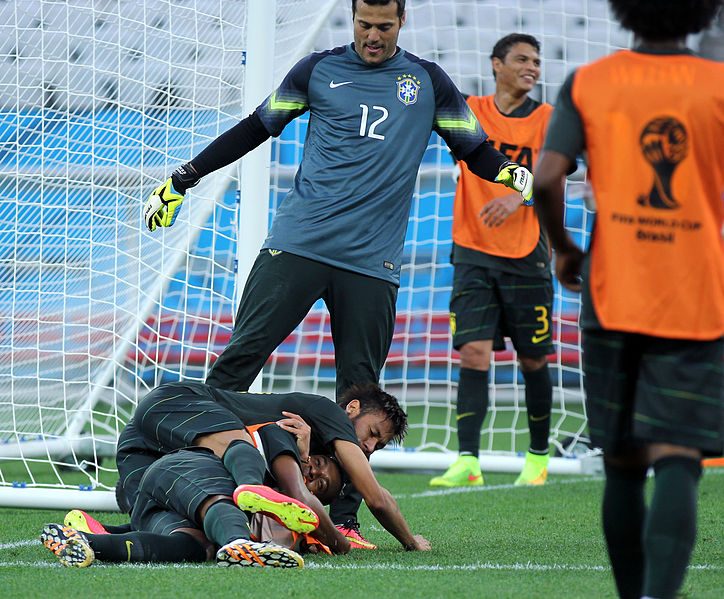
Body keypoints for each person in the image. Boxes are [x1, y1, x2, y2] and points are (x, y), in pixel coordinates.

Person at [143, 0, 534, 545]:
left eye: (385, 26)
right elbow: (255, 127)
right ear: (352, 20)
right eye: (364, 25)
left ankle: (344, 521)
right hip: (297, 247)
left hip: (371, 264)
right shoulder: (317, 71)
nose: (373, 36)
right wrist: (185, 177)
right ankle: (190, 481)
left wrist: (516, 174)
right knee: (237, 365)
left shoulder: (428, 82)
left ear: (402, 23)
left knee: (360, 394)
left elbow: (473, 148)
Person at [532, 1, 724, 597]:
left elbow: (544, 178)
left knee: (620, 462)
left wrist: (564, 248)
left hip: (611, 294)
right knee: (677, 456)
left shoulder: (591, 81)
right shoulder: (718, 85)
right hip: (694, 298)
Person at [430, 33, 558, 489]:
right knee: (473, 352)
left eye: (538, 62)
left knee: (533, 360)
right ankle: (468, 460)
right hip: (472, 252)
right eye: (523, 59)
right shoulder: (469, 111)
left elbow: (558, 171)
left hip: (528, 255)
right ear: (496, 64)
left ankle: (538, 457)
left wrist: (517, 197)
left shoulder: (548, 119)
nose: (533, 67)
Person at [115, 380, 430, 552]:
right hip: (175, 403)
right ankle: (249, 485)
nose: (370, 447)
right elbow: (375, 497)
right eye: (373, 433)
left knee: (194, 541)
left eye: (379, 446)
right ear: (352, 408)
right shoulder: (325, 412)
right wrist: (411, 541)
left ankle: (97, 536)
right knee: (241, 449)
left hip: (144, 455)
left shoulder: (306, 447)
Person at [41, 446, 344, 568]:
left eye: (320, 485)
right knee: (226, 501)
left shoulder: (299, 528)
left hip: (157, 509)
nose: (314, 475)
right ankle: (238, 543)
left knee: (195, 548)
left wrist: (311, 541)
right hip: (184, 471)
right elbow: (239, 448)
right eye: (317, 465)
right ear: (307, 456)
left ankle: (86, 541)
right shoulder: (275, 454)